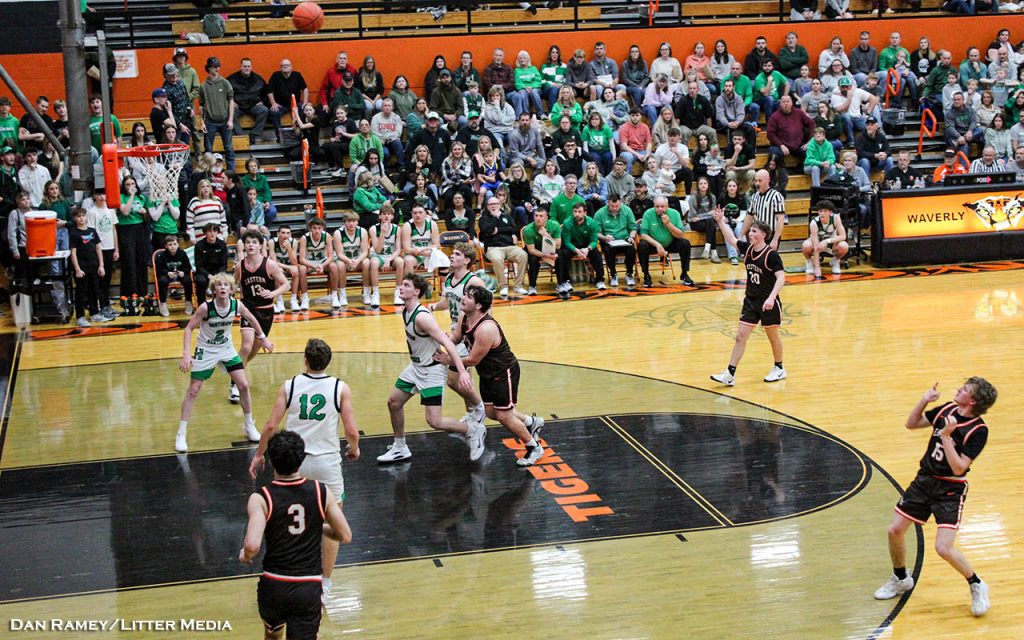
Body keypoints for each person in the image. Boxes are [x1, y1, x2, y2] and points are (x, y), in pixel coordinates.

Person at [873, 378, 998, 618]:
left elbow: (959, 467)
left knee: (943, 548)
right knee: (895, 530)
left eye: (964, 390)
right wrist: (924, 401)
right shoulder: (947, 409)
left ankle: (976, 583)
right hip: (924, 480)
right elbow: (911, 424)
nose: (958, 389)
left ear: (973, 401)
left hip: (950, 488)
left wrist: (947, 437)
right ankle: (901, 578)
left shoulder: (978, 431)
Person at [249, 338, 360, 602]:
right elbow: (351, 430)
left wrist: (259, 455)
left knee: (286, 517)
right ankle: (325, 585)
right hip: (326, 463)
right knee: (330, 523)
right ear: (327, 361)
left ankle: (289, 572)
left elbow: (270, 425)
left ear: (306, 360)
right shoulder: (339, 387)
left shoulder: (290, 385)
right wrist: (354, 448)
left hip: (293, 461)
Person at [240, 430, 351, 640]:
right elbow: (344, 535)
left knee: (272, 635)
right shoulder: (321, 491)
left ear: (271, 461)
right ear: (302, 459)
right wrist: (316, 527)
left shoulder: (261, 498)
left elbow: (252, 545)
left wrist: (245, 555)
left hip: (275, 585)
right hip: (307, 587)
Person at [436, 285, 546, 466]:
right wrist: (440, 338)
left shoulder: (486, 328)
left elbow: (473, 360)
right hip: (487, 373)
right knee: (492, 413)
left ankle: (533, 447)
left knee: (504, 416)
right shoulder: (464, 317)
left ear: (479, 305)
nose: (463, 298)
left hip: (503, 372)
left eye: (468, 297)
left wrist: (448, 359)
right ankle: (531, 421)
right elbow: (456, 338)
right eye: (465, 295)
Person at [377, 274, 482, 463]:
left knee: (434, 421)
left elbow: (447, 344)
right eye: (402, 284)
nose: (401, 287)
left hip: (431, 371)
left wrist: (461, 371)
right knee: (393, 402)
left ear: (416, 292)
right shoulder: (406, 311)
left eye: (406, 285)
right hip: (415, 368)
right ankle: (400, 447)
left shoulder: (422, 317)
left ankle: (473, 430)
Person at [176, 272, 271, 452]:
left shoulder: (236, 305)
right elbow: (188, 328)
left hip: (226, 348)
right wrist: (187, 354)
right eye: (219, 285)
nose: (222, 287)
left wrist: (263, 338)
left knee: (243, 385)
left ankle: (249, 425)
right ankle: (181, 433)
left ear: (231, 289)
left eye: (226, 285)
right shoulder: (205, 308)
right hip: (206, 349)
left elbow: (251, 318)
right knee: (193, 390)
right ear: (214, 289)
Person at [710, 208, 786, 386]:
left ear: (763, 235)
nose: (750, 234)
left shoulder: (771, 255)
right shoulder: (748, 249)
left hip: (768, 302)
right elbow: (731, 239)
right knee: (740, 337)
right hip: (751, 301)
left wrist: (771, 298)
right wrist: (720, 221)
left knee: (773, 337)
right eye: (750, 230)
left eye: (754, 231)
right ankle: (730, 373)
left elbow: (781, 278)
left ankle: (779, 368)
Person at [232, 229, 289, 402]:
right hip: (248, 309)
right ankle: (235, 383)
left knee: (254, 350)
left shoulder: (269, 265)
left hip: (265, 311)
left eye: (254, 242)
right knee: (246, 346)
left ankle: (238, 369)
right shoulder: (240, 266)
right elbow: (234, 285)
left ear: (260, 246)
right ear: (244, 246)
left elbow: (286, 284)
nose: (250, 245)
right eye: (248, 242)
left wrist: (273, 294)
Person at [638, 195, 694, 288]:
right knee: (642, 245)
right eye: (657, 206)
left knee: (685, 243)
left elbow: (680, 235)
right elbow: (643, 235)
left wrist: (668, 224)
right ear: (654, 206)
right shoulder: (648, 214)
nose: (660, 209)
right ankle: (646, 275)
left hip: (670, 242)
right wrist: (657, 245)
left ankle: (684, 274)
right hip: (654, 244)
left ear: (667, 206)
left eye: (662, 206)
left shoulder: (675, 213)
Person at [68, 207, 110, 327]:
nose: (81, 218)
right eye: (78, 216)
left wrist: (101, 265)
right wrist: (77, 269)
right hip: (82, 267)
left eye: (83, 215)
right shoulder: (74, 233)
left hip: (94, 266)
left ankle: (94, 313)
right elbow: (73, 253)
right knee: (81, 292)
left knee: (94, 290)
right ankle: (80, 316)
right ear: (74, 219)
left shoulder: (92, 231)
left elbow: (98, 248)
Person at [478, 196, 528, 298]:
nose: (493, 206)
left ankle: (518, 286)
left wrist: (498, 229)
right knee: (497, 258)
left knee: (523, 255)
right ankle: (503, 286)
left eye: (495, 204)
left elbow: (513, 229)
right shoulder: (483, 219)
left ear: (499, 205)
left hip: (509, 246)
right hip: (493, 247)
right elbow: (489, 230)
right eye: (490, 204)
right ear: (487, 206)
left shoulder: (506, 216)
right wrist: (495, 220)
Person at [559, 202, 605, 297]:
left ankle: (599, 280)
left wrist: (587, 249)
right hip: (572, 245)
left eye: (579, 212)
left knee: (596, 253)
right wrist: (576, 250)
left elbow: (594, 241)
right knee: (563, 253)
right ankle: (566, 281)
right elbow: (566, 242)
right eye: (575, 211)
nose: (576, 214)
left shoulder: (591, 223)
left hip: (586, 244)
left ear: (585, 213)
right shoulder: (567, 222)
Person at [595, 194, 637, 288]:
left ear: (621, 203)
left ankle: (629, 274)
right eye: (612, 206)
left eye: (617, 206)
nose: (614, 208)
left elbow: (633, 228)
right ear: (608, 203)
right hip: (608, 240)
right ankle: (613, 274)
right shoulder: (600, 213)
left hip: (624, 239)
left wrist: (631, 237)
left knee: (632, 249)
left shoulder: (627, 210)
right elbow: (596, 232)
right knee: (607, 250)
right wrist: (604, 237)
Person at [198, 57, 235, 166]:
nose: (217, 69)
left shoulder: (225, 83)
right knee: (208, 149)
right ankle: (208, 170)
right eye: (214, 67)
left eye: (218, 66)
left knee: (228, 147)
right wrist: (202, 122)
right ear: (209, 68)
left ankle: (231, 170)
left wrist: (230, 120)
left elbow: (231, 101)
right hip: (210, 121)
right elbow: (201, 105)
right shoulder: (203, 86)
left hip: (224, 119)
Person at [332, 212, 370, 308]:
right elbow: (339, 254)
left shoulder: (362, 232)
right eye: (349, 221)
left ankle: (366, 292)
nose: (351, 224)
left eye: (354, 221)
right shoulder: (338, 233)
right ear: (344, 222)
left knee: (366, 262)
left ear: (357, 222)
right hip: (344, 260)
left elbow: (365, 252)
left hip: (358, 260)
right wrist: (349, 261)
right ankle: (342, 293)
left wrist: (357, 261)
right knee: (340, 265)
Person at [742, 169, 787, 251]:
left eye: (760, 181)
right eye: (756, 181)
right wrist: (741, 235)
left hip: (771, 235)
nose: (757, 183)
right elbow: (749, 217)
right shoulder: (754, 196)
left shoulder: (776, 196)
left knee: (767, 258)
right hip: (757, 234)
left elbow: (781, 219)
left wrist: (775, 239)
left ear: (768, 180)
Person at [369, 204, 404, 307]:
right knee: (373, 262)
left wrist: (389, 260)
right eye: (384, 214)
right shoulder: (373, 229)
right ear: (380, 216)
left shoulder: (397, 229)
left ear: (392, 216)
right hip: (378, 256)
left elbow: (398, 250)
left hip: (391, 256)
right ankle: (375, 293)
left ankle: (398, 292)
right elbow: (378, 250)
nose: (386, 216)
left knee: (400, 261)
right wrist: (382, 233)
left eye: (389, 214)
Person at [802, 201, 848, 278]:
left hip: (831, 243)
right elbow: (816, 246)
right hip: (818, 243)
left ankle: (835, 261)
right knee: (806, 246)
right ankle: (810, 262)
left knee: (844, 246)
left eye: (825, 211)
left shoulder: (836, 218)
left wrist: (827, 241)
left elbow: (843, 236)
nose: (822, 213)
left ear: (830, 212)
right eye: (820, 211)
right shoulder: (814, 223)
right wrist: (817, 267)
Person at [154, 234, 194, 317]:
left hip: (180, 274)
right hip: (168, 275)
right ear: (166, 246)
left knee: (188, 280)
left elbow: (188, 267)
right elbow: (159, 269)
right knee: (162, 281)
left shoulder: (182, 253)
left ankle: (188, 301)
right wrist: (167, 273)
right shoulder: (162, 255)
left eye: (174, 244)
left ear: (178, 244)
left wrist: (183, 272)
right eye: (170, 245)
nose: (172, 246)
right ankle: (163, 303)